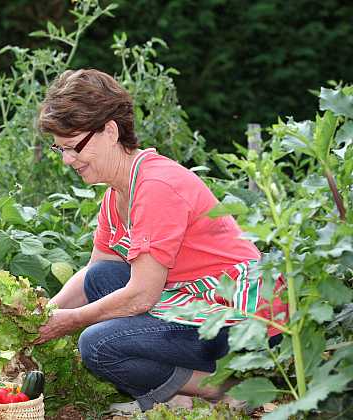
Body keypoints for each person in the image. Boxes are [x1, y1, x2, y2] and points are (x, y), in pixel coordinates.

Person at [34, 69, 287, 414]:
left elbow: (141, 295)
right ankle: (178, 395)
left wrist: (71, 320)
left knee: (97, 343)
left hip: (247, 324)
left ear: (110, 131)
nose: (66, 160)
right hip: (198, 304)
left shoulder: (156, 187)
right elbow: (94, 271)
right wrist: (44, 315)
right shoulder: (116, 195)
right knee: (101, 279)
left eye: (73, 146)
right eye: (59, 148)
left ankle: (225, 387)